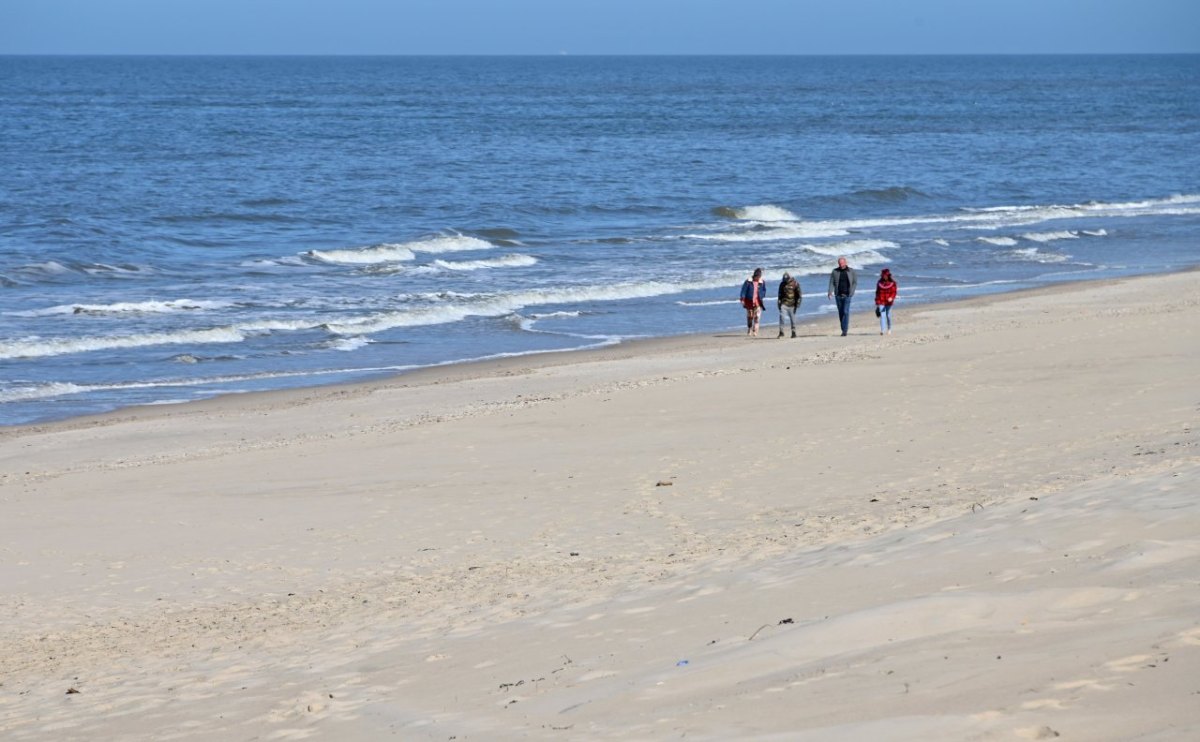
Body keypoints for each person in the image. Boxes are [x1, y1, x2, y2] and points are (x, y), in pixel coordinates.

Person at [826, 256, 857, 336]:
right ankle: (843, 329)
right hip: (838, 295)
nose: (841, 265)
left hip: (848, 295)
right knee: (841, 313)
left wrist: (852, 292)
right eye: (840, 263)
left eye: (842, 263)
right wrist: (830, 292)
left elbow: (855, 282)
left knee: (846, 312)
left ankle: (845, 330)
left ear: (845, 263)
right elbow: (831, 282)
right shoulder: (835, 271)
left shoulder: (851, 271)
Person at [740, 267, 766, 337]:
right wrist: (742, 299)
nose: (758, 278)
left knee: (757, 317)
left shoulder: (762, 282)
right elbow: (743, 291)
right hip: (749, 302)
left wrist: (762, 295)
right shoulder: (748, 282)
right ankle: (749, 328)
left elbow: (764, 290)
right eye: (757, 276)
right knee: (750, 317)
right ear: (755, 275)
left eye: (759, 276)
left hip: (758, 302)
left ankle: (755, 331)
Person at [777, 272, 802, 338]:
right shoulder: (782, 284)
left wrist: (798, 304)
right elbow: (779, 294)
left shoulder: (795, 283)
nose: (785, 281)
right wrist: (779, 303)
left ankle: (793, 333)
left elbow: (799, 294)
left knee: (792, 319)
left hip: (792, 304)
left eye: (786, 280)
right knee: (782, 316)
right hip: (784, 303)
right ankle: (781, 332)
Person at [875, 267, 898, 335]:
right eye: (883, 275)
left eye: (886, 275)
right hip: (881, 301)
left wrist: (891, 297)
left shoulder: (893, 283)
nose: (884, 277)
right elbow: (877, 292)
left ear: (888, 276)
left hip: (889, 302)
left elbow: (894, 292)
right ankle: (882, 330)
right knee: (882, 315)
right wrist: (877, 302)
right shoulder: (879, 283)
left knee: (888, 316)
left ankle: (889, 328)